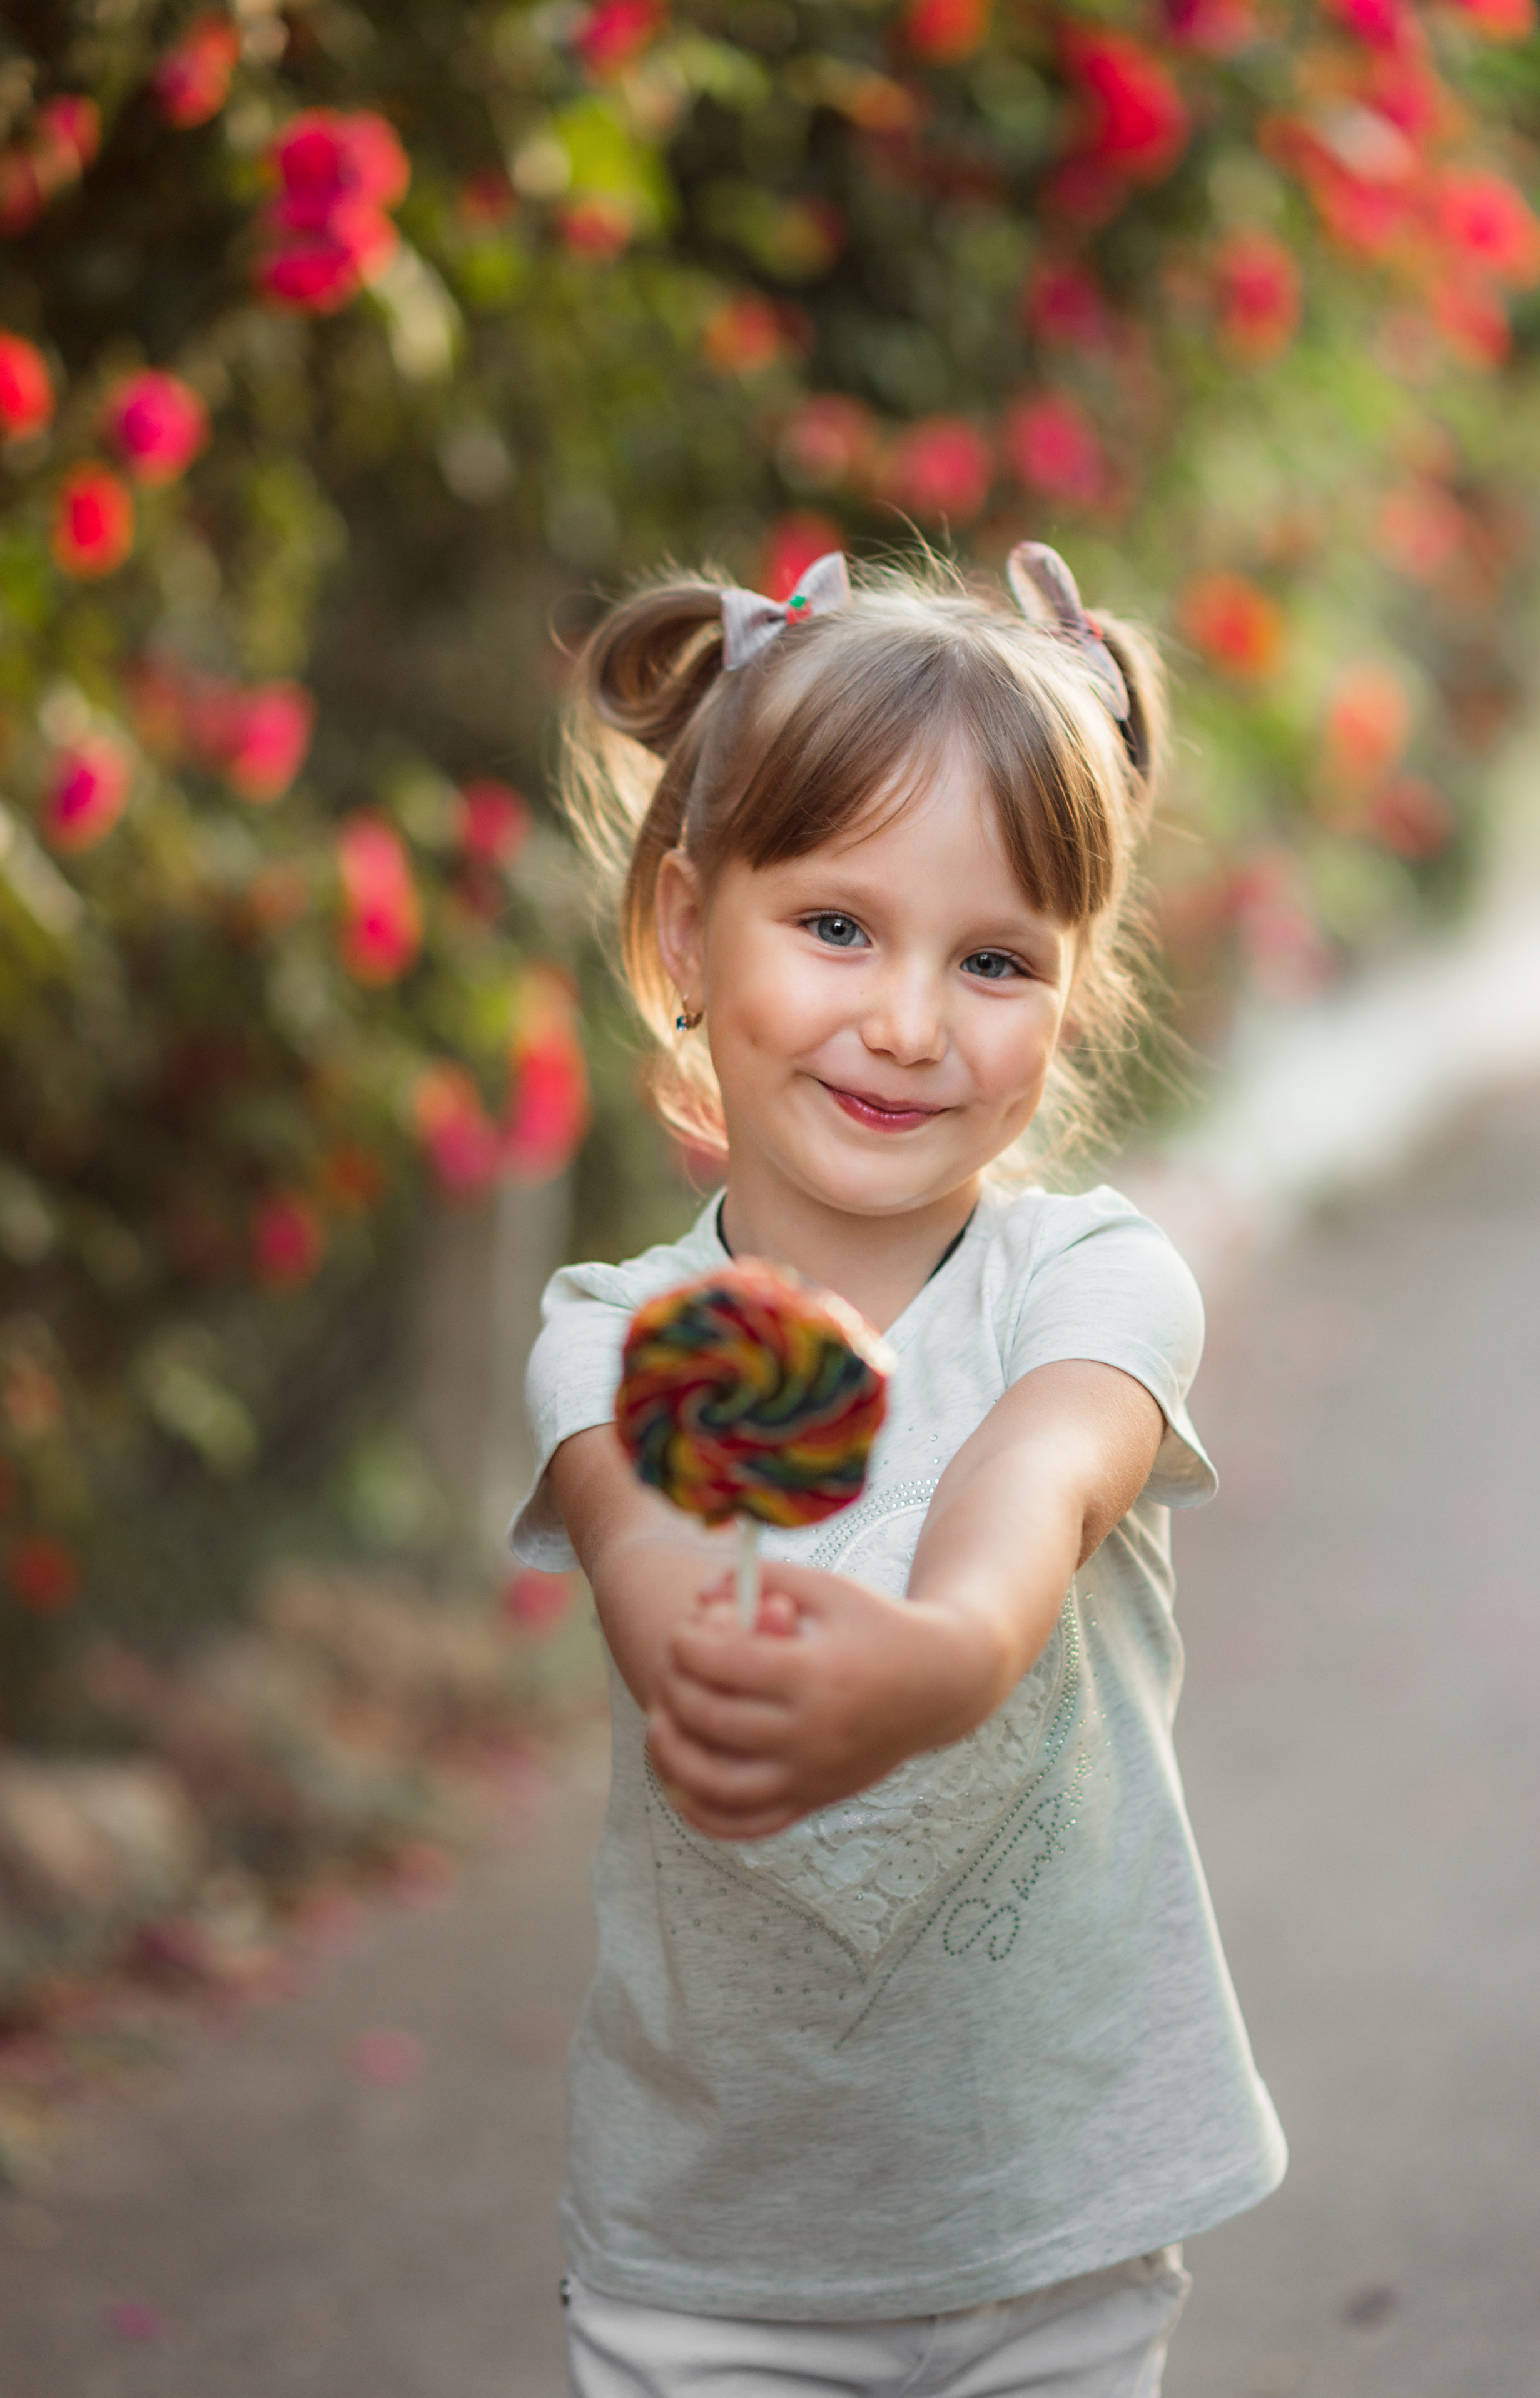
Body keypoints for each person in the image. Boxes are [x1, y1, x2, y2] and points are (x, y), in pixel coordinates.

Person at [510, 544, 1286, 2397]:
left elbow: (1033, 1493)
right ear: (689, 929)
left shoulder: (1092, 1280)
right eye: (838, 926)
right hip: (715, 2263)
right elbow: (649, 1574)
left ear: (1076, 997)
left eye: (996, 958)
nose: (914, 1020)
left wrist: (931, 1663)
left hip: (1061, 2235)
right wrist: (734, 1652)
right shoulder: (614, 1333)